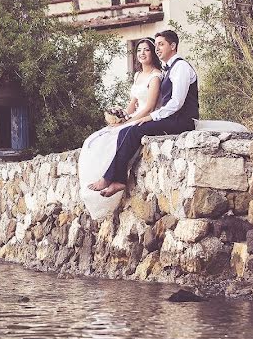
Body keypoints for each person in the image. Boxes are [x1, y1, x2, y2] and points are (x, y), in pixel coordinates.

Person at [90, 29, 198, 198]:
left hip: (183, 121)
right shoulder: (169, 69)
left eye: (161, 44)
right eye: (157, 46)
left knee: (135, 129)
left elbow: (177, 103)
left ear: (173, 45)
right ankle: (117, 180)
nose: (158, 49)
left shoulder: (181, 67)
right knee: (126, 131)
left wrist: (151, 116)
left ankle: (110, 178)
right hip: (172, 118)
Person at [78, 38, 164, 220]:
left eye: (146, 50)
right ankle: (105, 178)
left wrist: (129, 122)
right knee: (96, 138)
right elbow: (132, 104)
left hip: (146, 118)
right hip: (133, 117)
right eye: (139, 50)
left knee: (118, 136)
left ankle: (112, 179)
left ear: (153, 53)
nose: (142, 53)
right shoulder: (137, 75)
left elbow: (149, 107)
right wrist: (121, 116)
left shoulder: (156, 76)